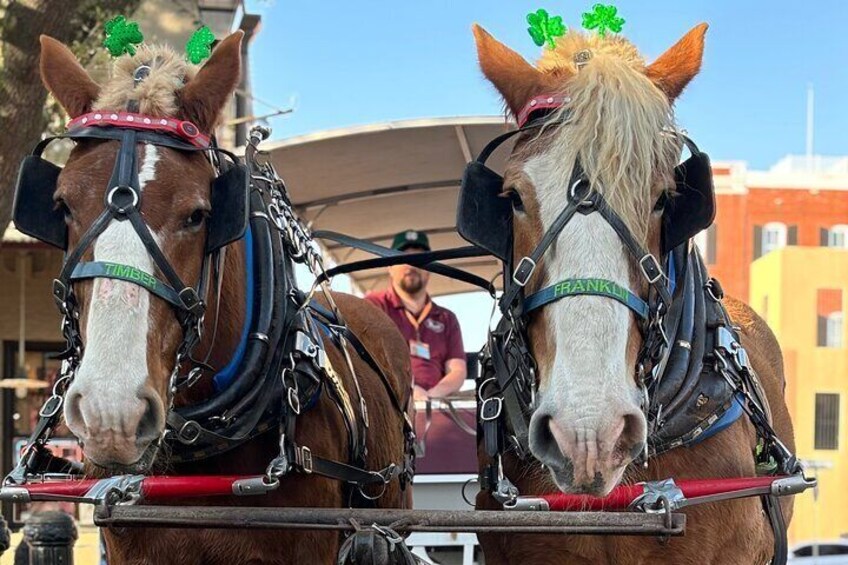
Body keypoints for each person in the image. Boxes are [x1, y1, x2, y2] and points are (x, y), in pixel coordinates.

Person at [366, 230, 467, 401]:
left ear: (430, 269)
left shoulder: (447, 318)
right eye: (402, 259)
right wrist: (410, 389)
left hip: (436, 405)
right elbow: (367, 360)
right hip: (388, 404)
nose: (411, 265)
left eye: (419, 260)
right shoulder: (373, 306)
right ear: (389, 267)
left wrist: (430, 397)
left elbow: (457, 370)